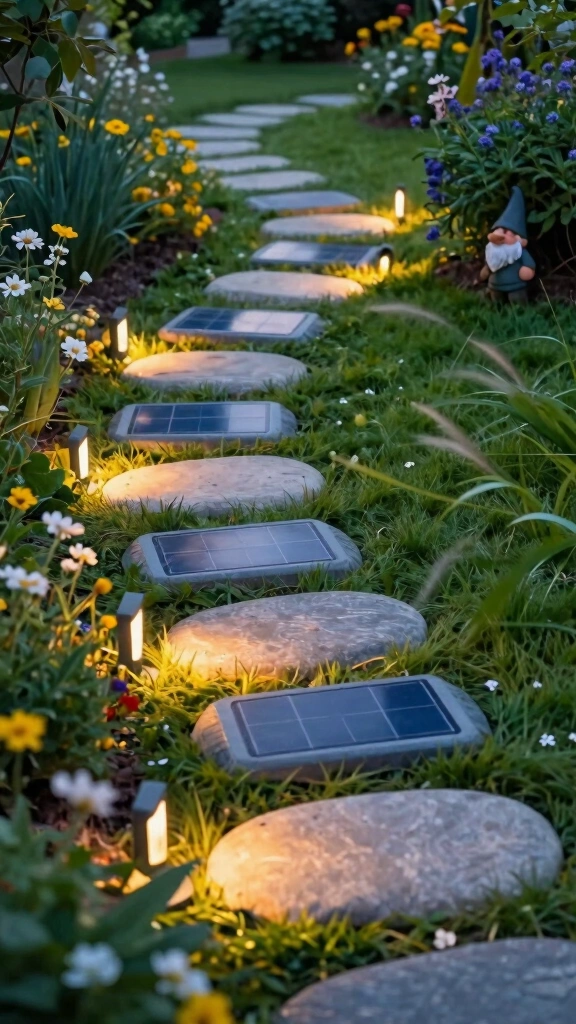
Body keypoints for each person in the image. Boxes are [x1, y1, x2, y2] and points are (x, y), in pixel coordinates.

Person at [480, 185, 536, 303]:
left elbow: (529, 263)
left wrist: (527, 270)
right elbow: (490, 264)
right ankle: (497, 307)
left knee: (517, 300)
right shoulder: (492, 251)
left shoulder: (519, 251)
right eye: (499, 230)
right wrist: (486, 270)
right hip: (495, 284)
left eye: (507, 233)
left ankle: (519, 309)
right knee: (497, 300)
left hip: (515, 284)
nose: (501, 235)